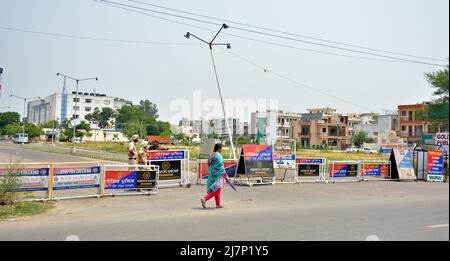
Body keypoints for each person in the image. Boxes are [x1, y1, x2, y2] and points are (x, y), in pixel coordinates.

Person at [201, 143, 228, 209]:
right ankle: (205, 199)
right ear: (219, 148)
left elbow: (209, 165)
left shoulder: (210, 155)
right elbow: (221, 166)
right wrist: (225, 174)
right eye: (221, 148)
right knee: (216, 190)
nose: (221, 149)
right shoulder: (218, 156)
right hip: (217, 176)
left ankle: (218, 204)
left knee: (217, 189)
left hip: (211, 175)